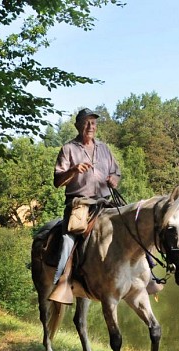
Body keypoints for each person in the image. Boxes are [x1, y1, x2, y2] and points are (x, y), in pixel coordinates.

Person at [50, 108, 121, 303]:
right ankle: (61, 283)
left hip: (105, 202)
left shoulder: (104, 148)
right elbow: (57, 182)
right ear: (77, 125)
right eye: (86, 122)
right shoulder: (68, 149)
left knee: (131, 223)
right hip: (79, 203)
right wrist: (73, 170)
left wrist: (114, 179)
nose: (91, 126)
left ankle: (147, 276)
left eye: (94, 123)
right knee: (68, 238)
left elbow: (116, 173)